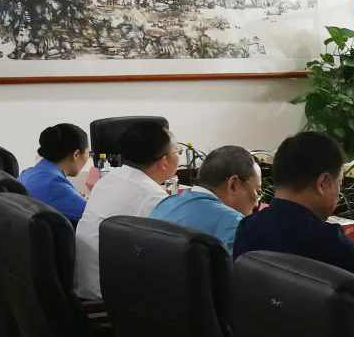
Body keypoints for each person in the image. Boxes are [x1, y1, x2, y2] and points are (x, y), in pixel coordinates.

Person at [233, 131, 354, 310]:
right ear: (323, 183)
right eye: (339, 183)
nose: (339, 193)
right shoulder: (330, 241)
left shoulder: (247, 227)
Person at [73, 120, 179, 300]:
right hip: (111, 300)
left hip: (87, 286)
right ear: (163, 161)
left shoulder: (109, 179)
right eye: (178, 152)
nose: (179, 157)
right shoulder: (152, 197)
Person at [149, 145, 261, 252]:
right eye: (257, 191)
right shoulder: (233, 223)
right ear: (233, 185)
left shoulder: (164, 205)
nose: (256, 204)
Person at [18, 123, 91, 225]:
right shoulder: (54, 184)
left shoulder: (28, 173)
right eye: (89, 153)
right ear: (76, 154)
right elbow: (95, 215)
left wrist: (73, 196)